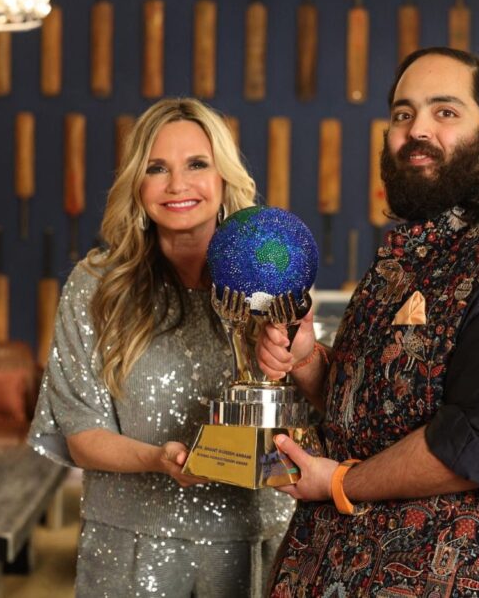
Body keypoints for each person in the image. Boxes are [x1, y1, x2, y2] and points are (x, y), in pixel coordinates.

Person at [257, 47, 479, 596]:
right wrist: (308, 359)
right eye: (403, 114)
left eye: (445, 112)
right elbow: (377, 411)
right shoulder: (411, 254)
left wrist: (339, 481)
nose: (417, 130)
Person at [31, 98, 294, 598]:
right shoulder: (96, 285)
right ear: (137, 183)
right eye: (157, 168)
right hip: (129, 549)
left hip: (253, 539)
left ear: (224, 177)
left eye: (197, 164)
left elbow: (307, 408)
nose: (177, 185)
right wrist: (158, 458)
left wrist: (296, 354)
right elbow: (82, 432)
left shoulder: (268, 277)